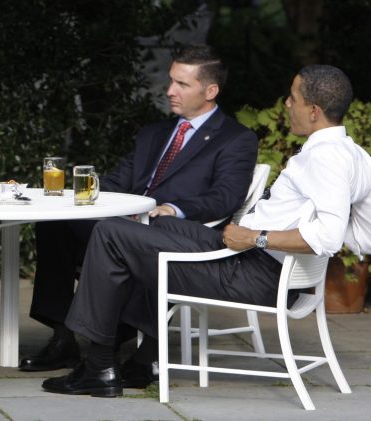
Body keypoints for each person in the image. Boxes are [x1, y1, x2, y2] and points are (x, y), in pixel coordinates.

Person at [42, 64, 371, 397]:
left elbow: (326, 238)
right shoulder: (358, 157)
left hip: (251, 269)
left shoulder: (324, 158)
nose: (287, 104)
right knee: (152, 223)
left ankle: (99, 367)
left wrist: (257, 237)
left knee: (111, 234)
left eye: (292, 98)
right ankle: (142, 357)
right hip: (245, 253)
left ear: (313, 111)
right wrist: (284, 234)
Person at [21, 45, 259, 383]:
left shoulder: (236, 139)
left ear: (210, 91)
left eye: (181, 84)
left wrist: (172, 208)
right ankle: (63, 337)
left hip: (173, 230)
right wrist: (84, 191)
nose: (169, 91)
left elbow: (224, 197)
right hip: (123, 222)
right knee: (55, 226)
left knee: (113, 237)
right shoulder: (155, 132)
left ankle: (111, 346)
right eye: (170, 81)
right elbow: (120, 181)